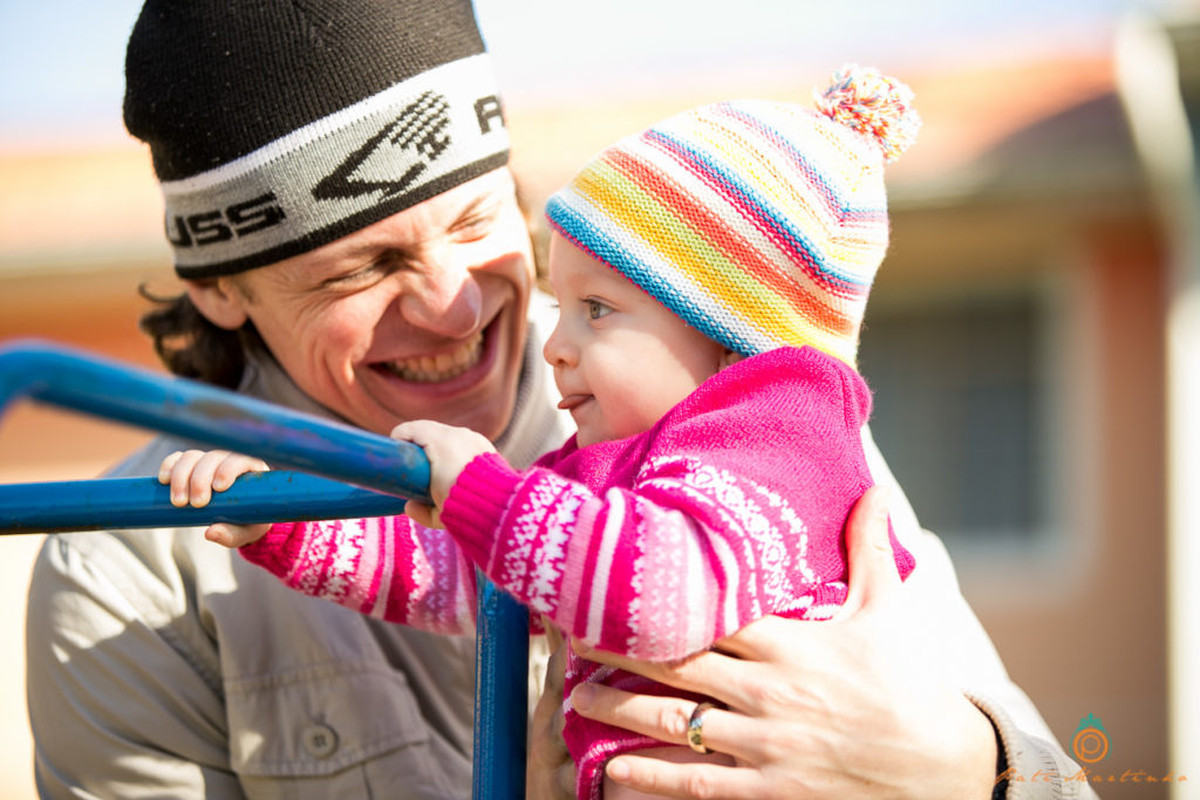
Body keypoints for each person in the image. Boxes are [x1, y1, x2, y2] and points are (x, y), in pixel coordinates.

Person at [21, 0, 1093, 798]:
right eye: (363, 266)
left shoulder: (727, 417)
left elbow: (1062, 775)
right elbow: (445, 562)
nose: (453, 307)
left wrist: (959, 763)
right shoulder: (131, 565)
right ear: (221, 287)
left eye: (482, 220)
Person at [157, 65, 923, 800]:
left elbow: (662, 591)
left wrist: (477, 488)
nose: (555, 342)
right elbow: (474, 576)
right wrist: (286, 524)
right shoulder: (621, 462)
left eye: (597, 311)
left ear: (727, 333)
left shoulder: (783, 437)